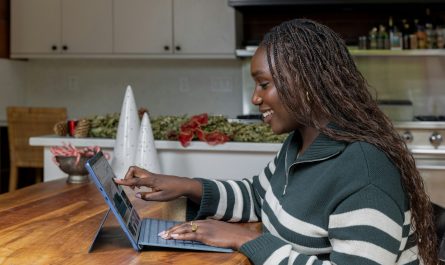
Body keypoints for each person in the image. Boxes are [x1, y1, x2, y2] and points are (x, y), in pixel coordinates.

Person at [115, 19, 437, 264]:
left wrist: (244, 240)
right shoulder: (299, 145)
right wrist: (187, 186)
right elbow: (260, 196)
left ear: (307, 83)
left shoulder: (365, 172)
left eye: (264, 84)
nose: (255, 98)